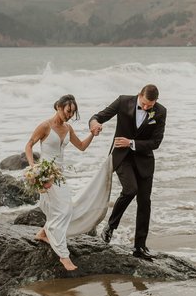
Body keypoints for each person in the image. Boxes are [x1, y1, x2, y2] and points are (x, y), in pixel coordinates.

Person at [89, 84, 166, 260]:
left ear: (156, 101)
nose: (146, 107)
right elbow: (98, 116)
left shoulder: (161, 112)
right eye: (144, 104)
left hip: (144, 160)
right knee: (130, 189)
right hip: (122, 157)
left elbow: (156, 142)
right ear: (139, 95)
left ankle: (140, 246)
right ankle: (110, 226)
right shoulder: (123, 101)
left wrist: (131, 143)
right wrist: (95, 123)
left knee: (144, 202)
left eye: (150, 105)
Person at [24, 94, 98, 271]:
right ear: (59, 107)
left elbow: (81, 146)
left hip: (59, 174)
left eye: (73, 112)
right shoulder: (45, 126)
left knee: (63, 208)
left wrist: (92, 134)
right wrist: (34, 168)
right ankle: (64, 256)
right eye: (68, 111)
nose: (70, 115)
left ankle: (43, 233)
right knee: (64, 210)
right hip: (46, 174)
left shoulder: (68, 128)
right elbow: (29, 145)